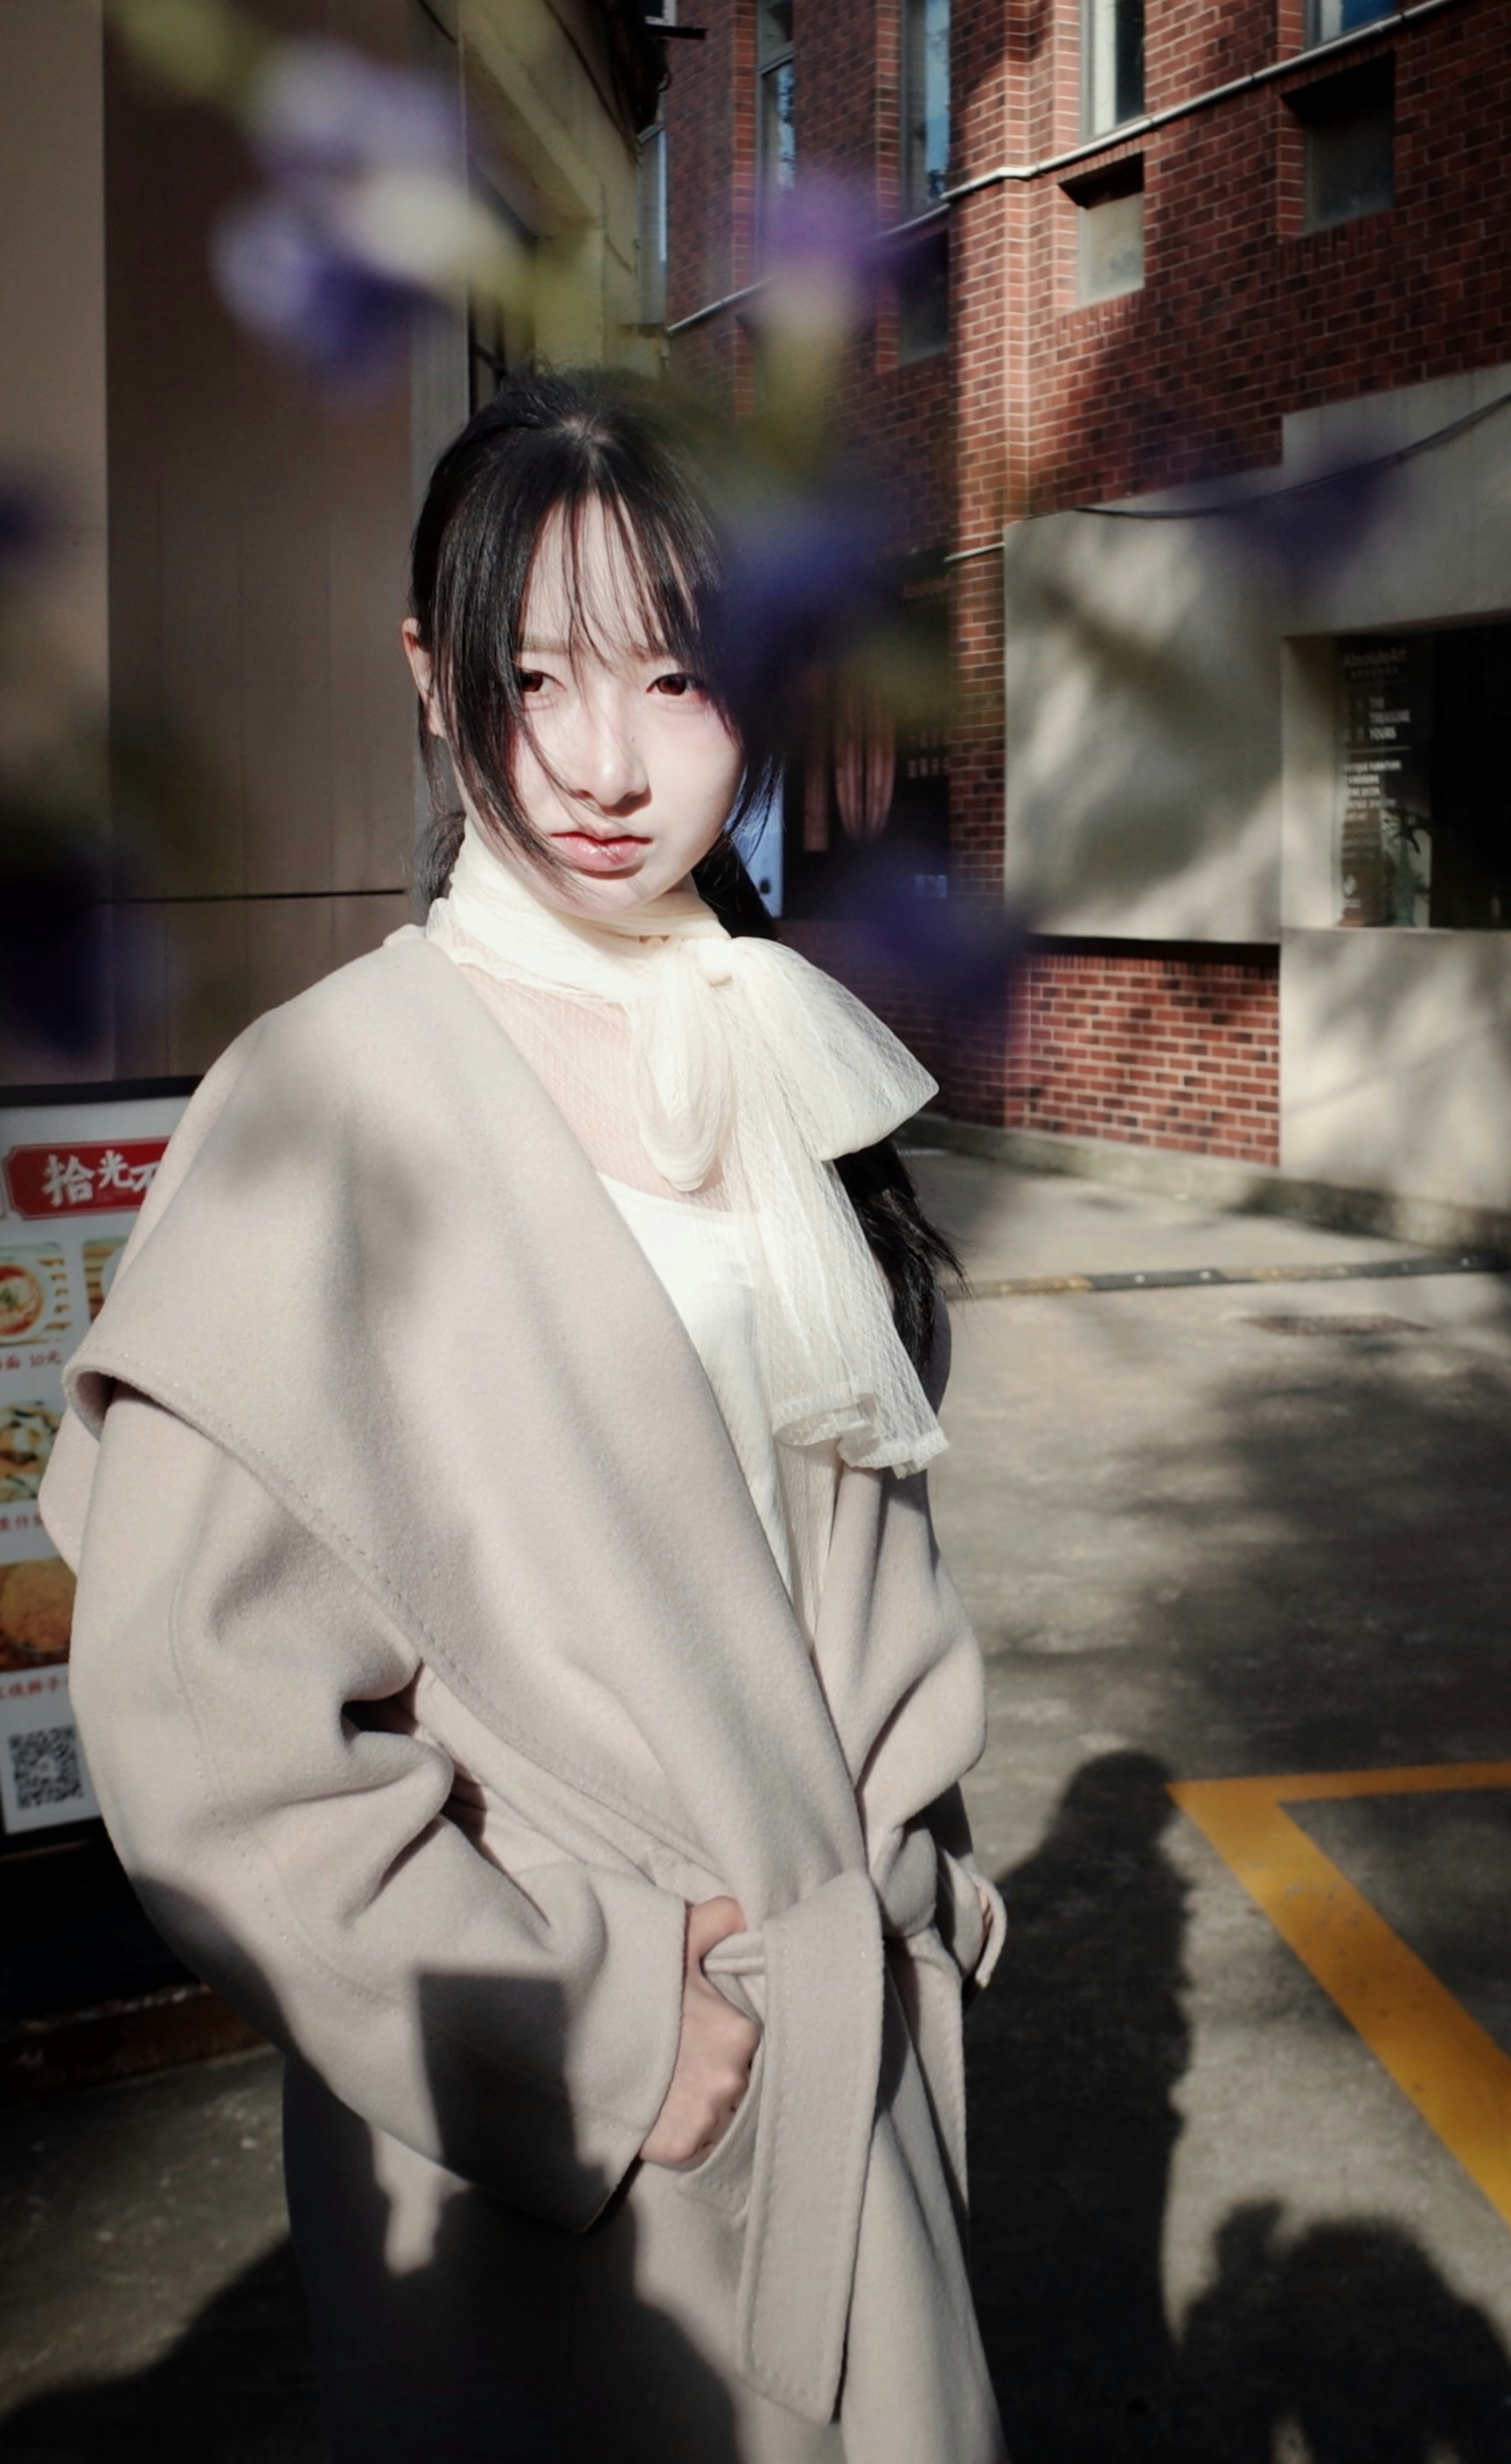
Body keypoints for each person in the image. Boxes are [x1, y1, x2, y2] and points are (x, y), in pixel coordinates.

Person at [40, 371, 1008, 2462]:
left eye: (675, 677)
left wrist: (914, 1877)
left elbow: (838, 1547)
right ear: (429, 673)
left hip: (845, 2050)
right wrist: (600, 2027)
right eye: (533, 673)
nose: (598, 761)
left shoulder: (760, 1037)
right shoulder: (328, 1100)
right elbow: (207, 1725)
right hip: (575, 2146)